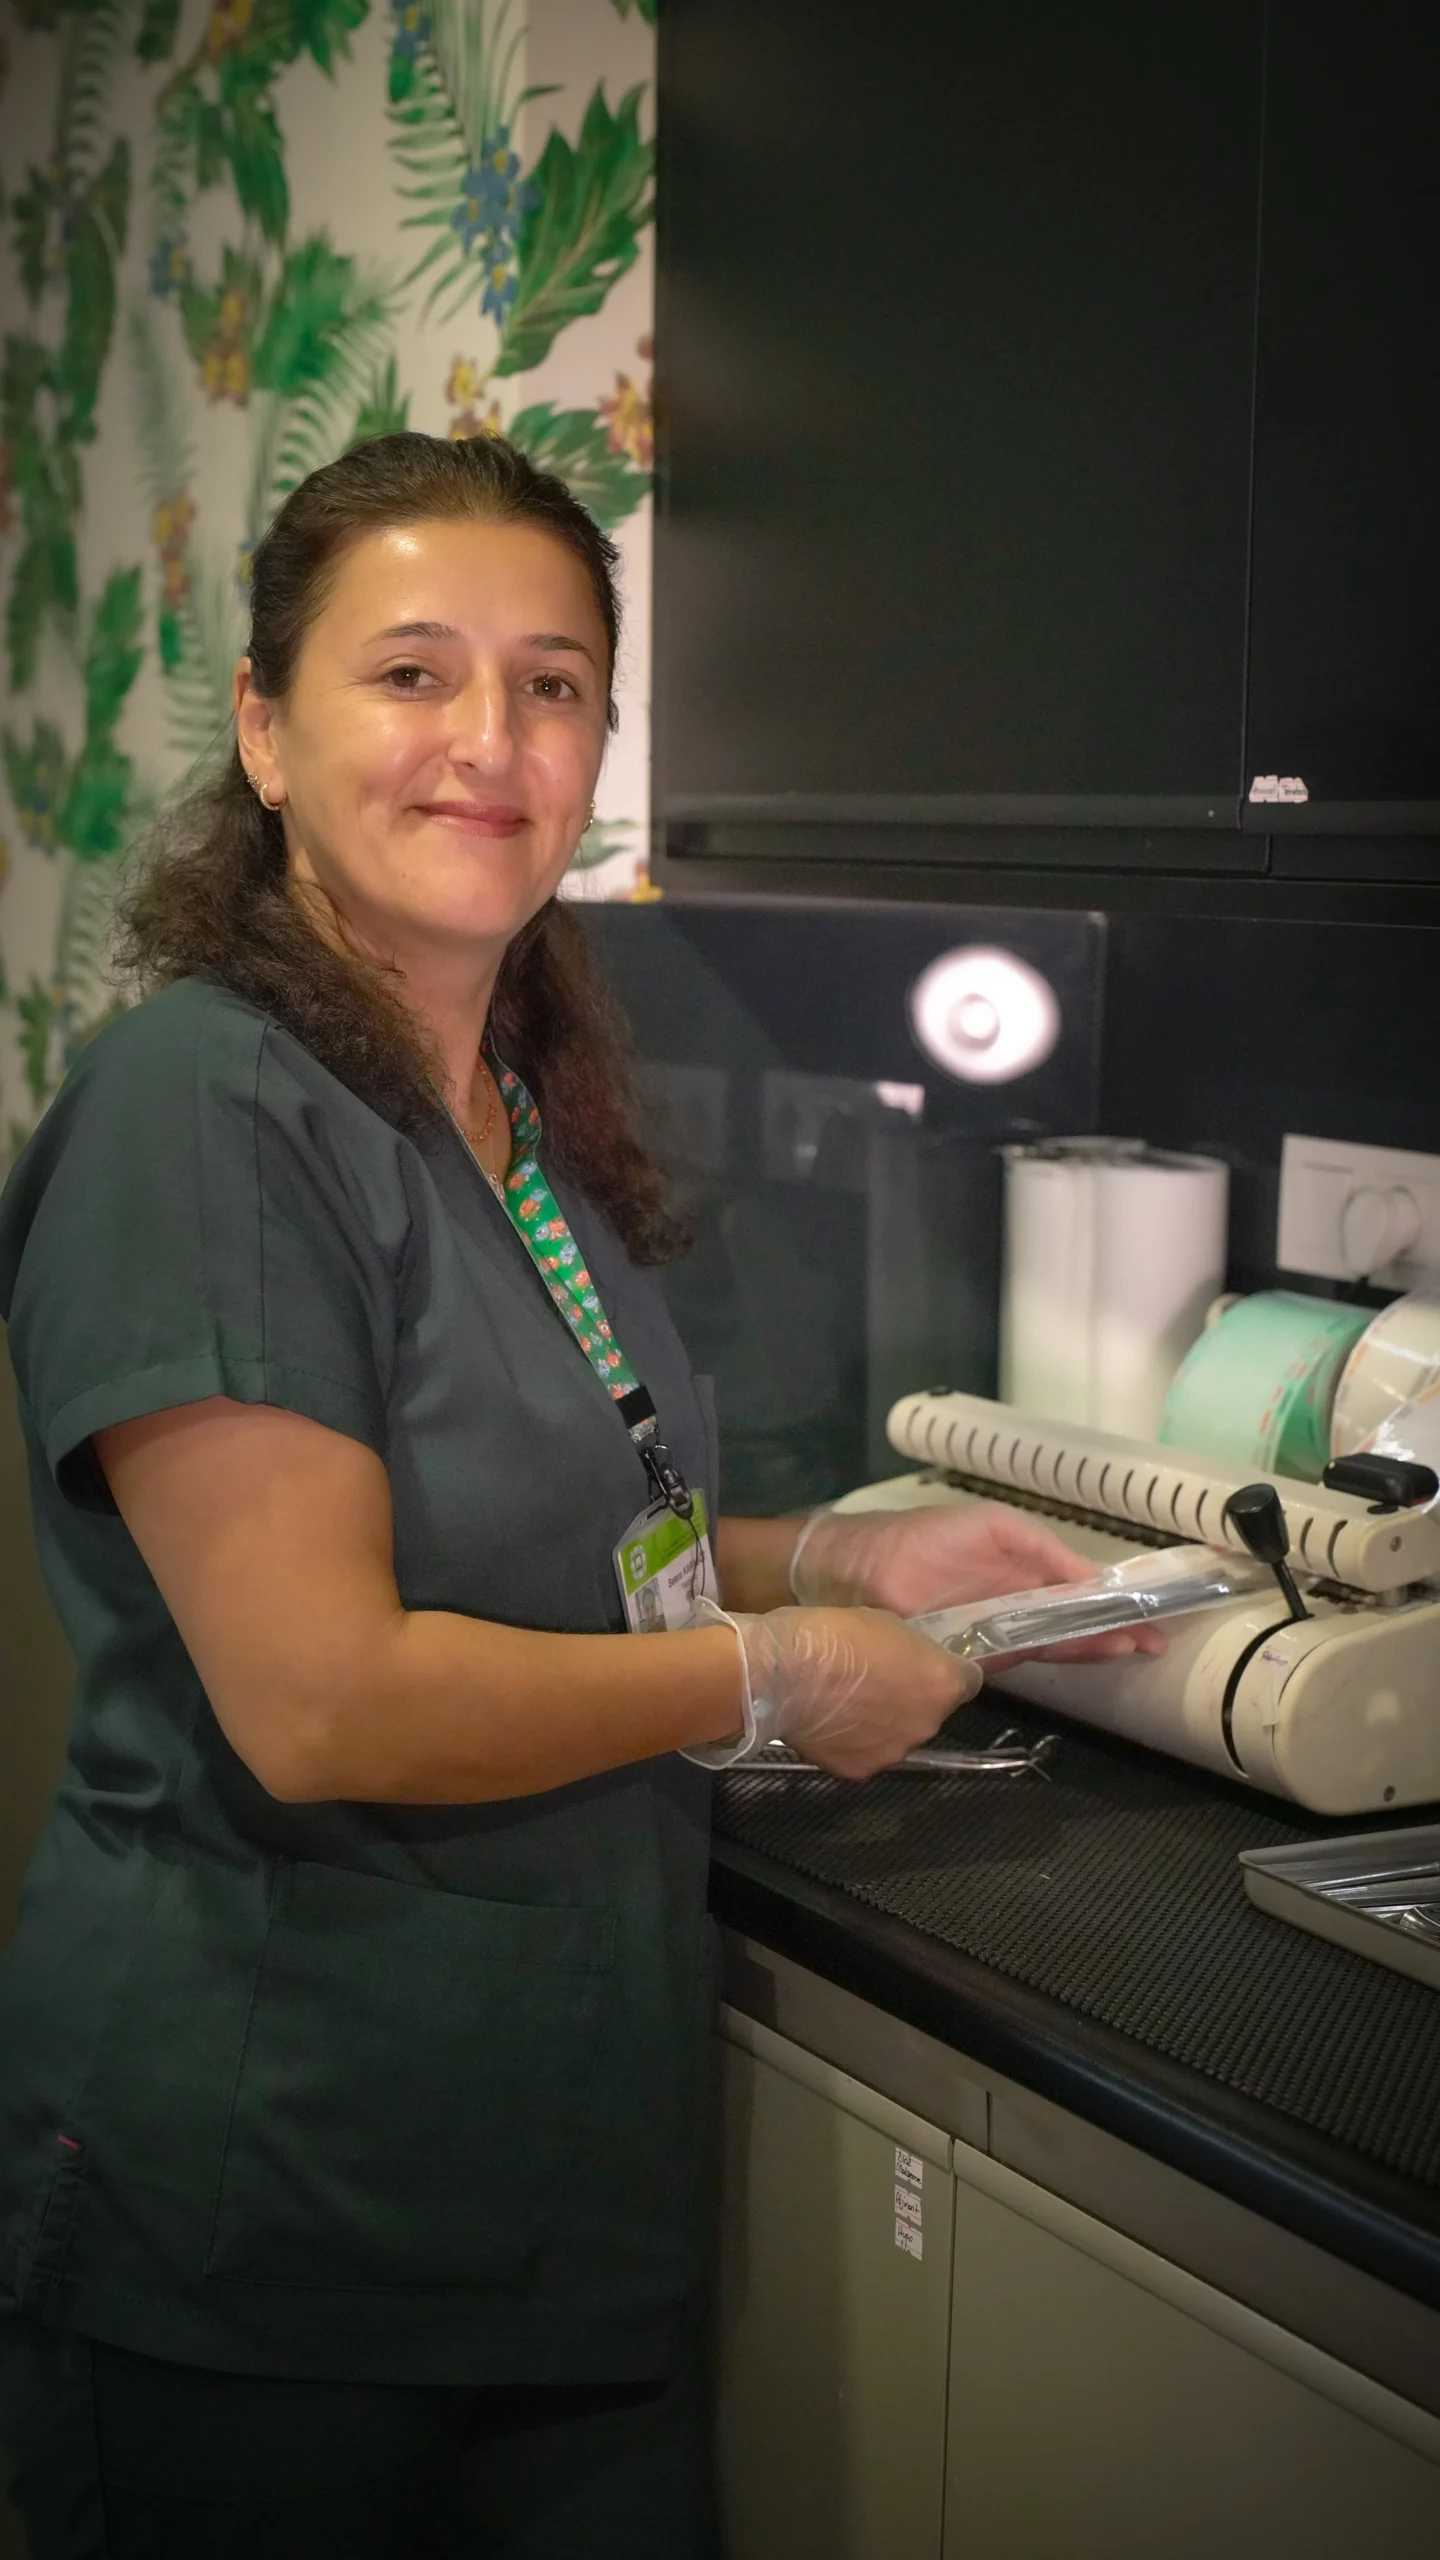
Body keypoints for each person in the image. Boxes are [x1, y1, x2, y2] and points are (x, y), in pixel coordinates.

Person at [0, 431, 1153, 2558]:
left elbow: (550, 1530)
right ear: (264, 728)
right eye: (411, 673)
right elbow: (324, 1697)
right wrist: (776, 1670)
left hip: (552, 2187)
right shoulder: (208, 1110)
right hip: (273, 2212)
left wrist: (842, 1548)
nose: (489, 741)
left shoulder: (507, 1105)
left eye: (551, 686)